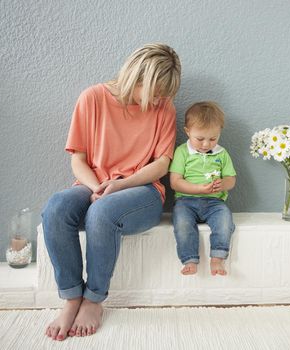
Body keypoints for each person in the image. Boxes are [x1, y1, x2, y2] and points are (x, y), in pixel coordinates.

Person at [41, 43, 181, 341]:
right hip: (94, 183)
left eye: (165, 94)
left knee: (103, 212)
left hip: (141, 192)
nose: (160, 99)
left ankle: (93, 300)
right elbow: (77, 159)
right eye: (156, 91)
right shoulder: (92, 98)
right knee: (56, 207)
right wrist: (97, 187)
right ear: (136, 77)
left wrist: (118, 185)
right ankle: (71, 298)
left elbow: (161, 165)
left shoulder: (164, 107)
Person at [169, 101, 236, 276]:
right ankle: (189, 259)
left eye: (213, 139)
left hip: (215, 202)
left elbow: (231, 179)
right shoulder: (182, 152)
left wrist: (224, 183)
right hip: (186, 201)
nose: (206, 144)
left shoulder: (222, 153)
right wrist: (198, 188)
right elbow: (175, 182)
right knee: (182, 223)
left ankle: (218, 257)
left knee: (225, 220)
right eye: (200, 139)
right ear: (187, 132)